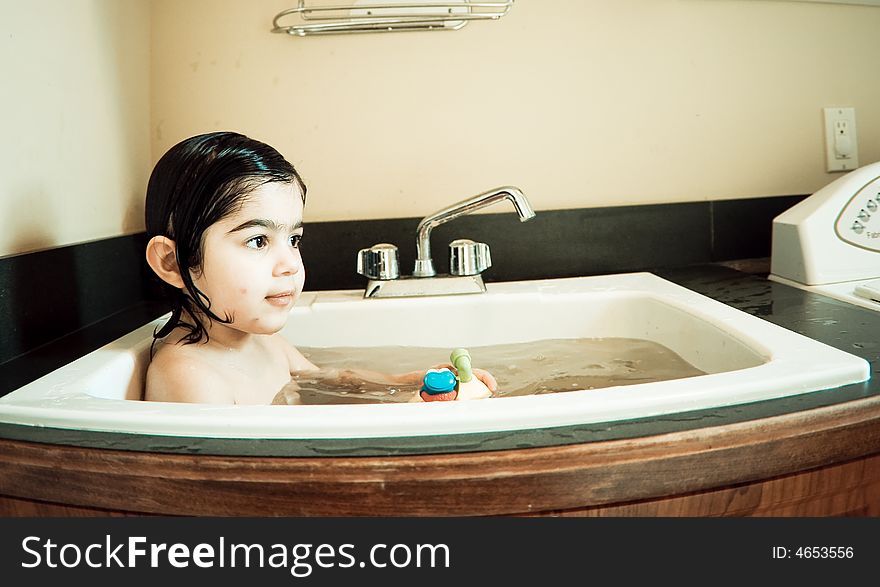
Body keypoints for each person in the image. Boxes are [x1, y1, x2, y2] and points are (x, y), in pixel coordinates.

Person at [143, 131, 497, 404]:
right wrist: (404, 415)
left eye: (294, 240)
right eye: (258, 241)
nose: (290, 265)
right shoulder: (189, 376)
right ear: (172, 262)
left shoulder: (260, 341)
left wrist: (412, 381)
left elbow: (332, 378)